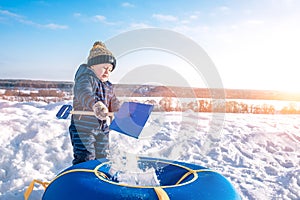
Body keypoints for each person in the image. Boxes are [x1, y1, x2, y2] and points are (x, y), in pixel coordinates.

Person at [69, 41, 120, 165]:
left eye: (110, 69)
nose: (107, 72)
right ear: (92, 66)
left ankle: (99, 180)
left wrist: (122, 111)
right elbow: (84, 93)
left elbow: (113, 102)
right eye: (104, 67)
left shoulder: (108, 86)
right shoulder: (86, 79)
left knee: (103, 158)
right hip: (83, 128)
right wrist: (96, 105)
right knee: (86, 157)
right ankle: (81, 179)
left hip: (102, 128)